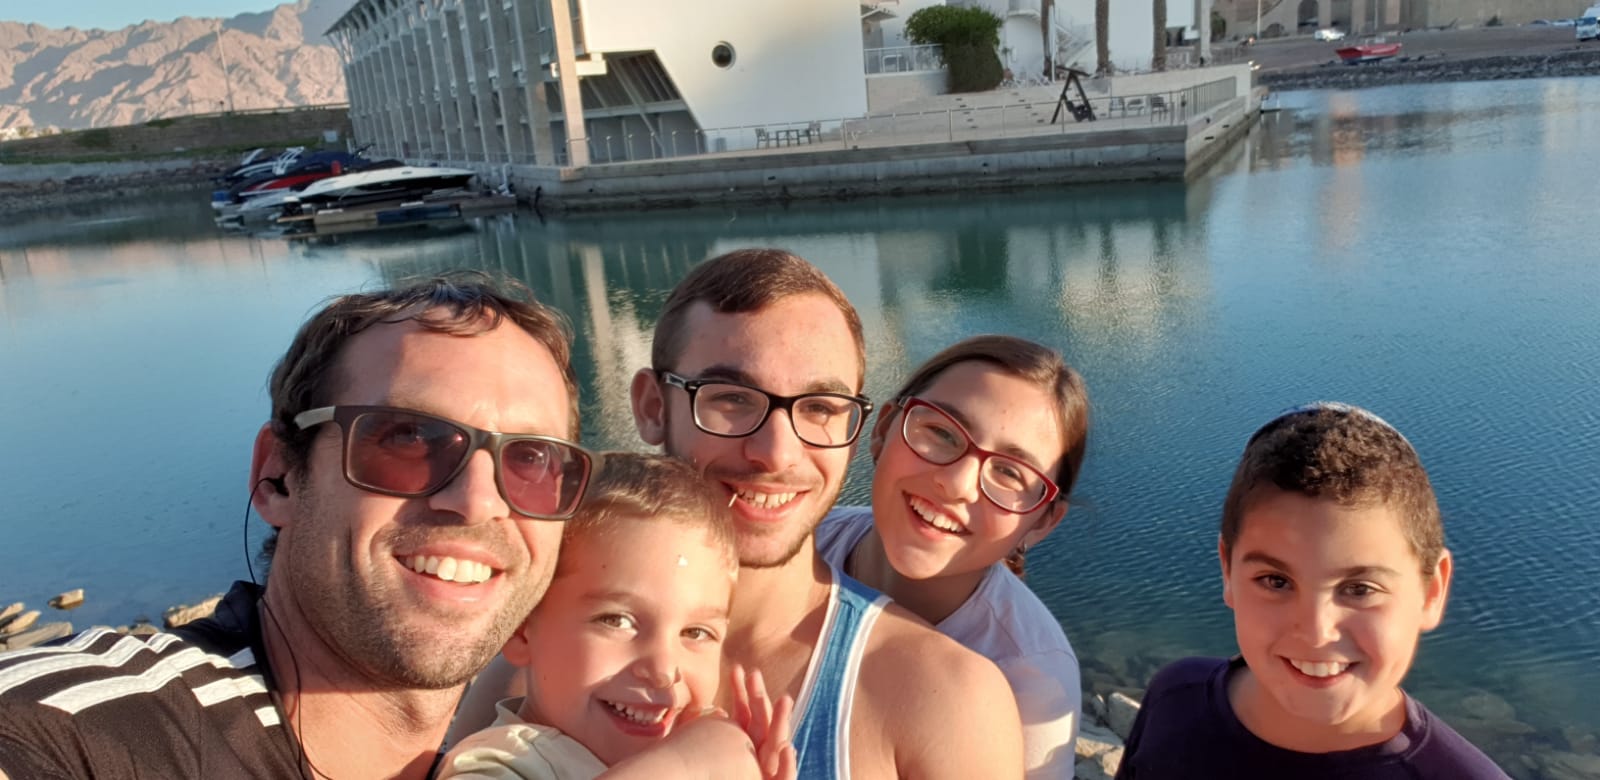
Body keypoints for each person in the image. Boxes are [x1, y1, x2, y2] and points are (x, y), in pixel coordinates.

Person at [0, 274, 770, 780]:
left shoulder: (546, 747)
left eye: (532, 460)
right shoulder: (98, 732)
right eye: (407, 438)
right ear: (278, 476)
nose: (476, 501)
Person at [454, 249, 1025, 778]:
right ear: (652, 407)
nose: (776, 453)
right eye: (730, 399)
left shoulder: (942, 703)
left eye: (820, 408)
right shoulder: (535, 663)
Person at [1114, 402, 1510, 779]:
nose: (1317, 631)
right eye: (1276, 581)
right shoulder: (1174, 700)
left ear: (1431, 591)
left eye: (1359, 589)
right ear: (1228, 572)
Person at [814, 334, 1088, 778]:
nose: (957, 484)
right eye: (941, 432)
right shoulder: (806, 544)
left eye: (1009, 472)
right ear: (883, 431)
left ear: (1042, 521)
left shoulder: (1031, 678)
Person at [438, 453, 796, 780]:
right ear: (521, 628)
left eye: (696, 632)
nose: (662, 670)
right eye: (617, 621)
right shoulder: (500, 764)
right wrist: (680, 767)